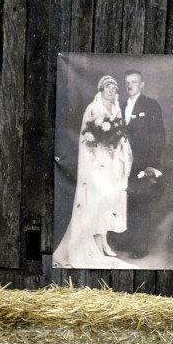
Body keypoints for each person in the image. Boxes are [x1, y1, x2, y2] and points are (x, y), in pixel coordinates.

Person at [53, 75, 135, 269]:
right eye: (108, 87)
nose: (111, 90)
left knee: (108, 201)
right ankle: (95, 242)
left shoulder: (117, 109)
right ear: (101, 89)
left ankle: (103, 239)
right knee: (96, 200)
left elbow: (120, 134)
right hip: (96, 161)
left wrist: (116, 141)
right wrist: (96, 139)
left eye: (114, 88)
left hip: (111, 160)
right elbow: (85, 137)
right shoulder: (93, 109)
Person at [113, 69, 166, 259]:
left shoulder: (151, 105)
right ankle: (127, 242)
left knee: (142, 206)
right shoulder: (119, 105)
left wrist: (152, 165)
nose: (130, 86)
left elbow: (159, 137)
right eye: (127, 83)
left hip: (143, 165)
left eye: (134, 82)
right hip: (122, 165)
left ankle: (140, 248)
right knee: (126, 203)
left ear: (142, 84)